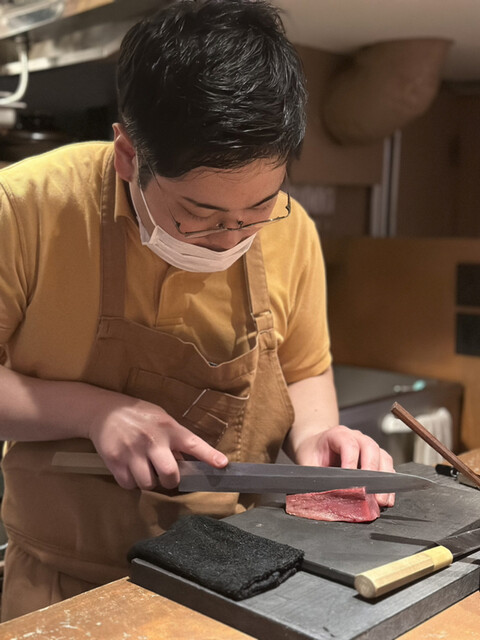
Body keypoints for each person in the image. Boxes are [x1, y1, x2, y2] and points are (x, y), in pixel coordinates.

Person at [0, 0, 394, 621]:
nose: (231, 237)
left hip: (247, 581)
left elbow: (303, 368)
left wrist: (319, 437)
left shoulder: (294, 231)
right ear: (129, 155)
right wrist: (93, 411)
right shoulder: (26, 207)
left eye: (258, 209)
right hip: (65, 584)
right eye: (199, 214)